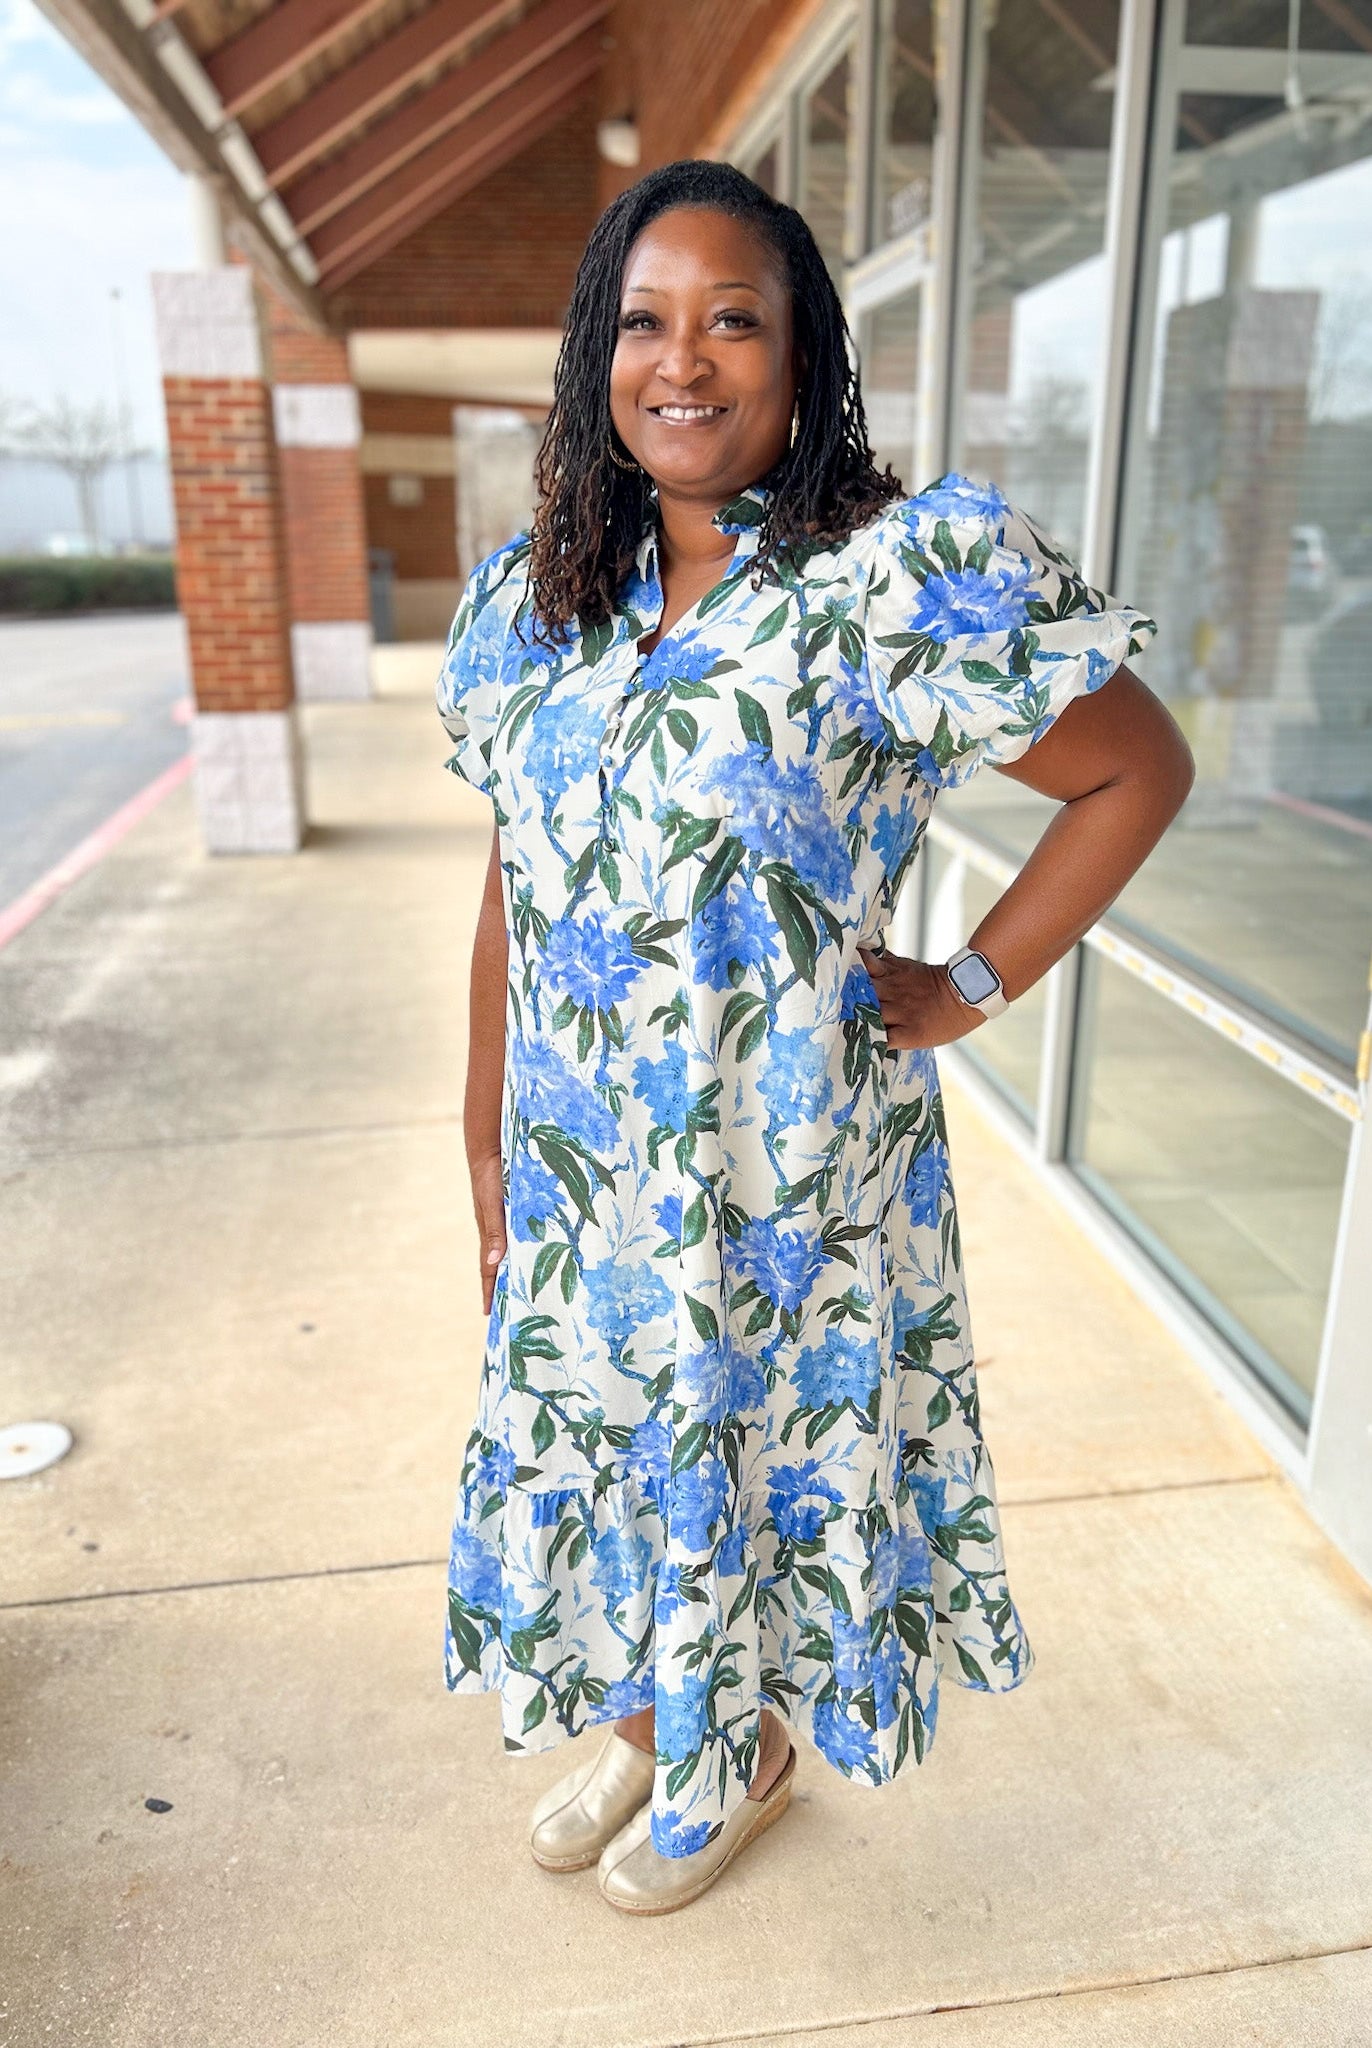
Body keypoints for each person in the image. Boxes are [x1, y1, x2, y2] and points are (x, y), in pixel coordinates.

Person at [435, 158, 1192, 1917]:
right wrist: (482, 1138)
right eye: (643, 321)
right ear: (593, 356)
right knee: (612, 1433)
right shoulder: (536, 601)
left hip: (778, 1169)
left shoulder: (891, 579)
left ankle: (744, 1747)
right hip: (580, 1156)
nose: (681, 362)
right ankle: (646, 1712)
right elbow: (513, 882)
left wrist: (971, 985)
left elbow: (1131, 769)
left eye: (732, 319)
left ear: (803, 354)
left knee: (751, 1441)